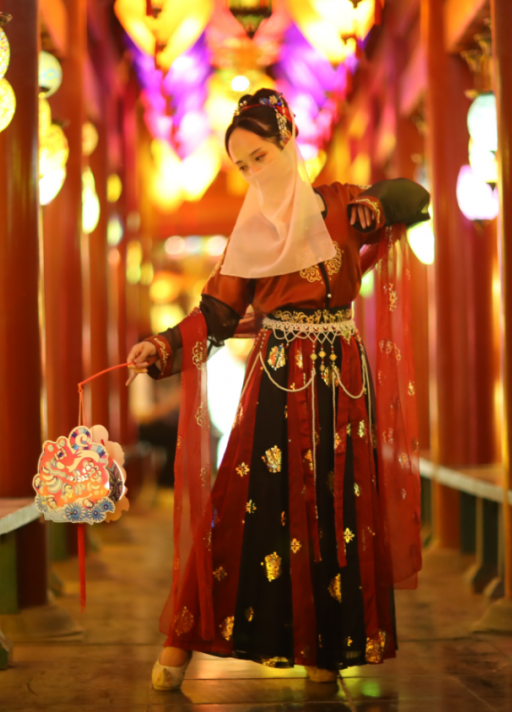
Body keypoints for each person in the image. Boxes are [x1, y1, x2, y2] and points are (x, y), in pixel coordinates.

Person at [126, 89, 430, 689]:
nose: (253, 173)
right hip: (278, 378)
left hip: (343, 381)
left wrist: (375, 201)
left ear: (287, 141)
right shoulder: (250, 236)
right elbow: (215, 316)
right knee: (245, 506)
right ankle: (179, 645)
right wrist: (161, 346)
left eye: (259, 157)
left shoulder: (341, 203)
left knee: (338, 506)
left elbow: (415, 200)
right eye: (242, 167)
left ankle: (324, 652)